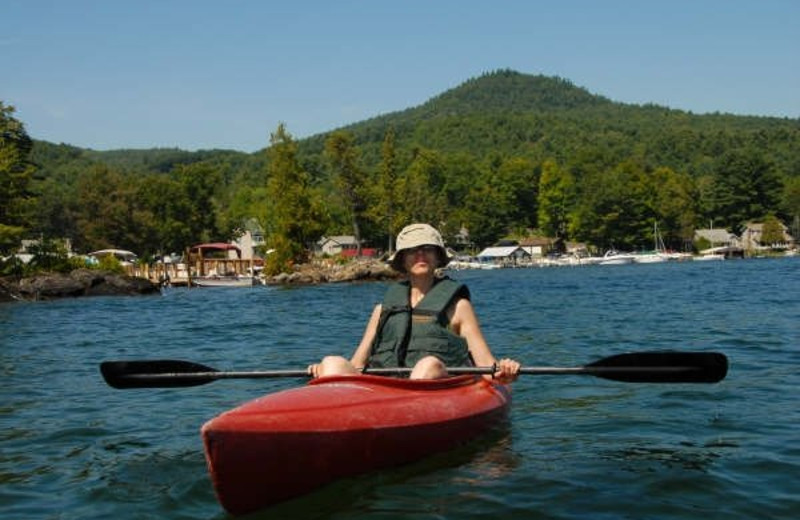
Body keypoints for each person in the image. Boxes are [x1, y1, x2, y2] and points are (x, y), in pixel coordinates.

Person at [308, 223, 521, 383]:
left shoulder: (459, 307)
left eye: (427, 249)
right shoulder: (383, 310)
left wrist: (504, 370)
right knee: (331, 362)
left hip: (436, 385)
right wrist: (324, 369)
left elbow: (486, 366)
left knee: (428, 365)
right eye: (412, 250)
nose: (420, 255)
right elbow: (357, 365)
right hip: (386, 388)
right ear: (403, 260)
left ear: (438, 257)